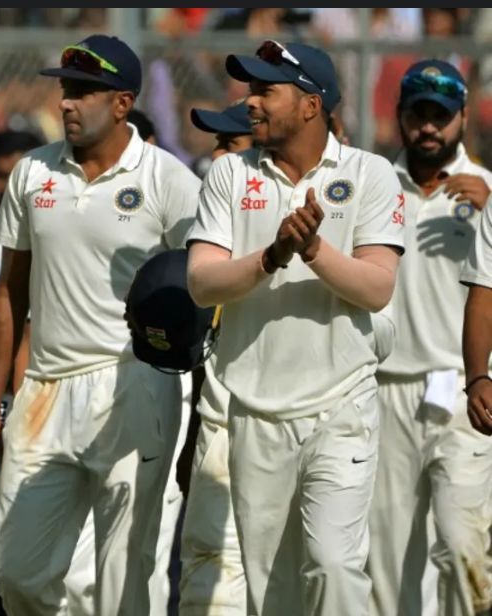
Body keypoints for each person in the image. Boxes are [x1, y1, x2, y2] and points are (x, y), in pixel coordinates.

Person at [0, 34, 201, 614]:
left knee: (126, 578)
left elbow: (207, 290)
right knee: (19, 576)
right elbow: (9, 293)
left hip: (134, 384)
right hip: (44, 389)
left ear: (123, 104)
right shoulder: (31, 173)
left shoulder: (166, 179)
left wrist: (203, 410)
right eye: (65, 91)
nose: (67, 104)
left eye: (84, 93)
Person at [186, 41, 404, 615]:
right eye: (250, 89)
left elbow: (377, 286)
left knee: (334, 564)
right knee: (273, 594)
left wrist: (310, 250)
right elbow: (202, 283)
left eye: (264, 91)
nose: (249, 102)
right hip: (253, 409)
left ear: (311, 104)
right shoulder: (229, 173)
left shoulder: (370, 173)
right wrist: (272, 254)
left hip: (341, 404)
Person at [369, 60, 492, 616]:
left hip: (462, 390)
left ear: (463, 119)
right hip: (385, 388)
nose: (428, 127)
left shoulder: (488, 191)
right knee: (390, 559)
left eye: (440, 116)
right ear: (399, 116)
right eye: (418, 113)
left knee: (462, 538)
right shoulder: (373, 185)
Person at [178, 100, 253, 616]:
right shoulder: (211, 223)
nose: (217, 155)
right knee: (211, 562)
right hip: (217, 411)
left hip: (290, 411)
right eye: (217, 143)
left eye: (231, 144)